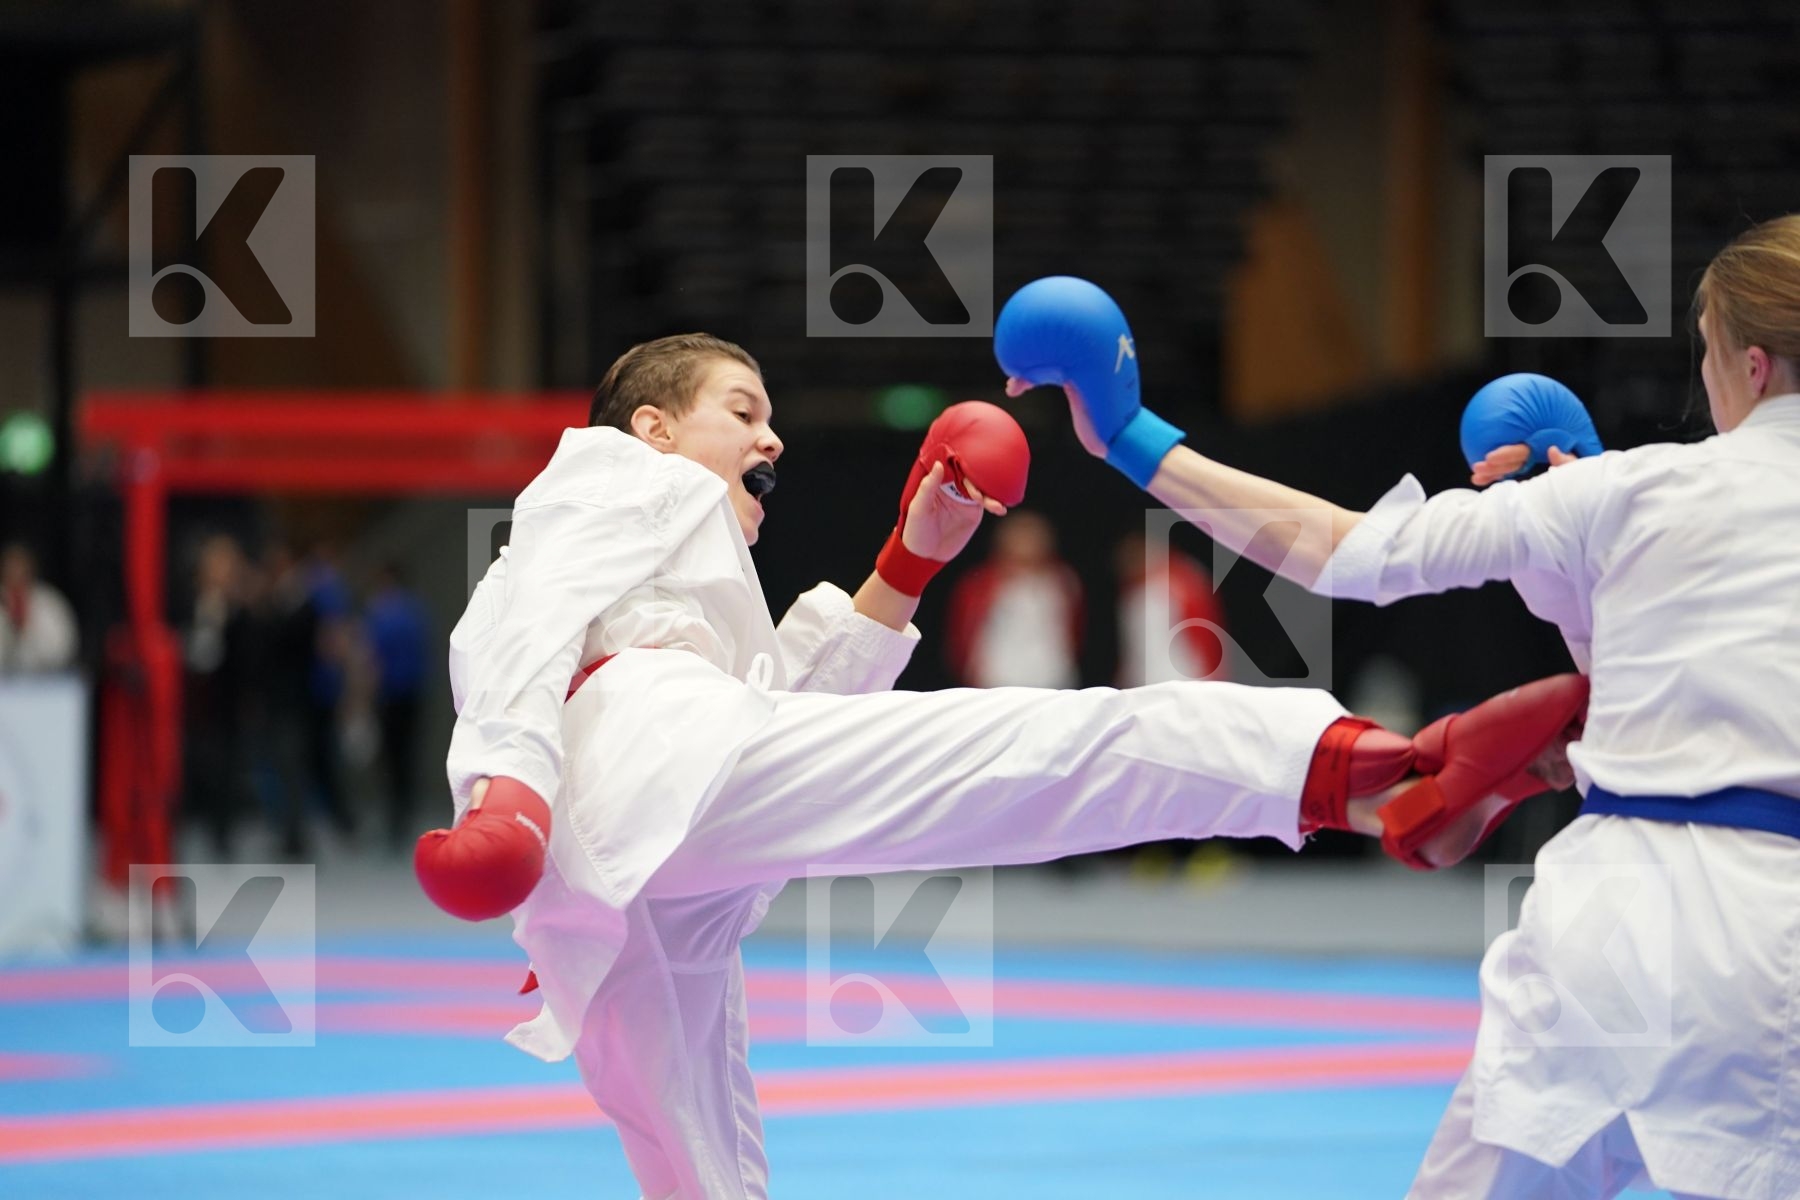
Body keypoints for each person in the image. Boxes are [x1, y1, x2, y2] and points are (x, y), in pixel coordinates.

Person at [419, 333, 1584, 1200]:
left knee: (689, 1155)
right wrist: (506, 794)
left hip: (642, 846)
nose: (771, 437)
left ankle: (1358, 769)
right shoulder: (606, 482)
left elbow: (777, 720)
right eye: (744, 408)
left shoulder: (678, 586)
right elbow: (518, 641)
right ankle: (1373, 767)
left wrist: (906, 563)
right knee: (1040, 750)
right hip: (623, 778)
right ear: (656, 430)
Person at [998, 229, 1800, 1200]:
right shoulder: (1616, 495)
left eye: (1707, 354)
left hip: (1623, 916)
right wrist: (1570, 576)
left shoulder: (1636, 486)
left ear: (1751, 368)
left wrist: (1127, 435)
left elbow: (1350, 555)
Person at [944, 509, 1083, 688]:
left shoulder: (1063, 581)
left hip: (1052, 678)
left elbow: (1075, 630)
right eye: (1020, 535)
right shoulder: (980, 583)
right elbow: (960, 634)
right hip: (997, 680)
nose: (1026, 543)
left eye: (1032, 536)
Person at [363, 562, 430, 851]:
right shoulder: (417, 611)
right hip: (413, 694)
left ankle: (395, 816)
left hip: (390, 695)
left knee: (391, 758)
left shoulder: (381, 612)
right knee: (406, 756)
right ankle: (404, 812)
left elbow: (372, 656)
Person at [0, 541, 78, 674]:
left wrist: (27, 629)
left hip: (45, 684)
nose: (16, 574)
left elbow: (64, 648)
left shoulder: (49, 602)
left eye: (20, 569)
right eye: (11, 569)